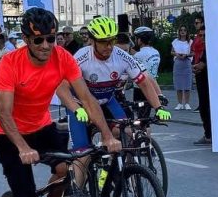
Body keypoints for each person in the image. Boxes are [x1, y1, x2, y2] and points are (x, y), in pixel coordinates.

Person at [0, 7, 121, 197]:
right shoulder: (10, 63)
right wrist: (23, 147)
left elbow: (86, 97)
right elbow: (3, 112)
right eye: (39, 40)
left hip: (42, 126)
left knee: (66, 170)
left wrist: (105, 135)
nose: (46, 46)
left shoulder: (62, 58)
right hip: (11, 133)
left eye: (51, 38)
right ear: (27, 39)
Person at [63, 17, 170, 159]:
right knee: (83, 156)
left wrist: (158, 107)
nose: (108, 46)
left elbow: (144, 81)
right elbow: (64, 86)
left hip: (107, 100)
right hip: (81, 104)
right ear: (92, 41)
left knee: (127, 131)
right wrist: (76, 108)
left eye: (111, 41)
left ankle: (117, 170)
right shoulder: (81, 58)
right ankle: (78, 180)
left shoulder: (122, 56)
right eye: (103, 42)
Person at [191, 15, 211, 144]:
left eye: (204, 36)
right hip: (201, 77)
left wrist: (199, 66)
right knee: (204, 107)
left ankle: (209, 135)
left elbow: (203, 63)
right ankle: (208, 134)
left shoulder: (211, 48)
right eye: (201, 36)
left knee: (206, 107)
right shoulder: (202, 46)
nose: (202, 38)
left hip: (207, 80)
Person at [132, 27, 163, 103]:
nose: (135, 40)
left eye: (136, 38)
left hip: (140, 88)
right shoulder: (156, 52)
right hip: (153, 86)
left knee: (139, 112)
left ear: (141, 39)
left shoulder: (138, 55)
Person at [172, 26, 194, 109]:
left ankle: (187, 103)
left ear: (187, 32)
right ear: (179, 32)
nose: (183, 31)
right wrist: (176, 54)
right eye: (181, 30)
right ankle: (180, 103)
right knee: (179, 84)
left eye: (184, 30)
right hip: (178, 62)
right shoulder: (175, 41)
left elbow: (193, 52)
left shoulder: (190, 42)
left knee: (187, 83)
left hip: (187, 62)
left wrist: (186, 55)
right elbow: (172, 51)